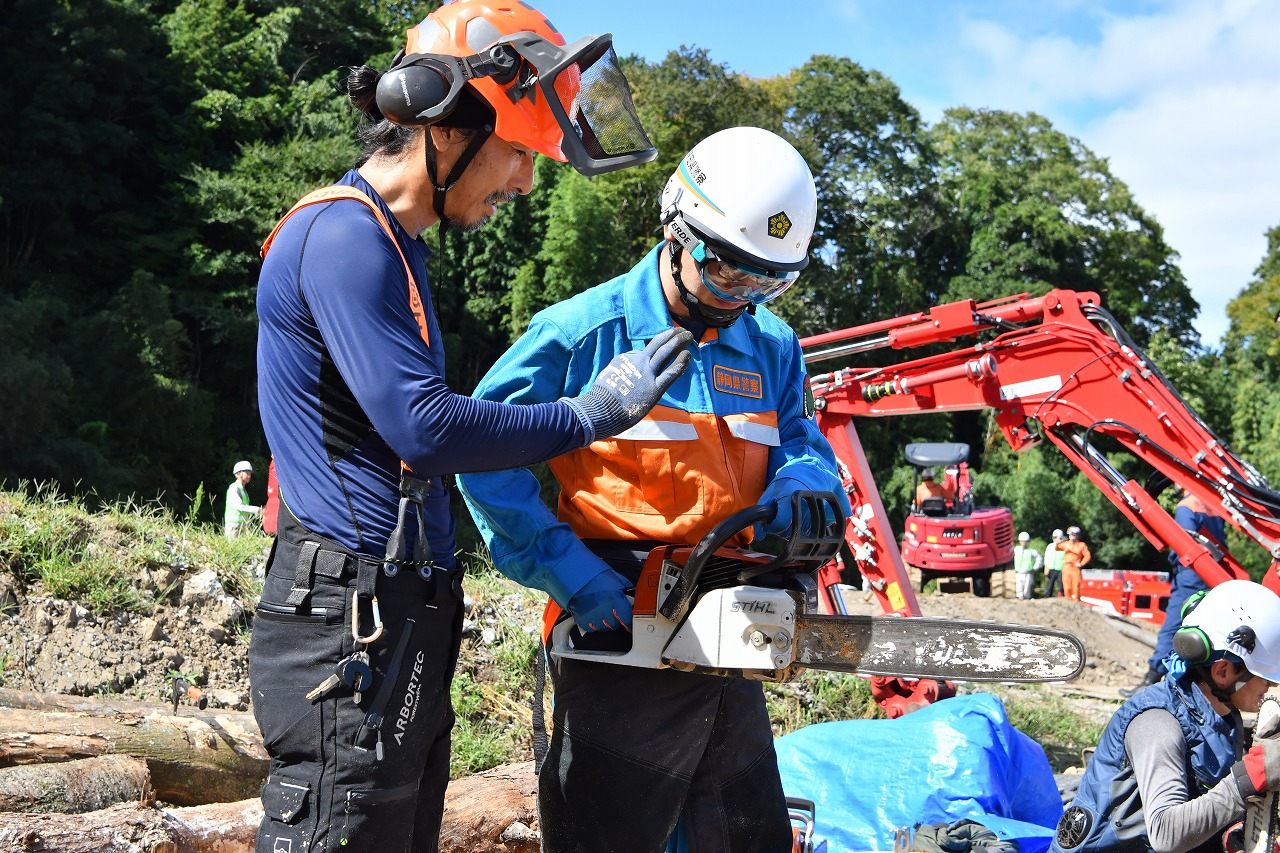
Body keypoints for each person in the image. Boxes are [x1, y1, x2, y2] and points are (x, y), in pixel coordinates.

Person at [248, 4, 689, 851]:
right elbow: (425, 427)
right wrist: (586, 414)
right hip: (347, 612)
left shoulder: (395, 244)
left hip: (393, 611)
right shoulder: (342, 236)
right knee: (341, 829)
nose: (525, 181)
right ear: (447, 131)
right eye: (521, 151)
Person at [458, 127, 851, 853]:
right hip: (616, 636)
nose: (745, 299)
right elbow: (480, 450)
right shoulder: (582, 333)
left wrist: (806, 478)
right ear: (678, 230)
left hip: (731, 636)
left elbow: (801, 436)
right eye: (731, 275)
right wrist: (569, 573)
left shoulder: (772, 347)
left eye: (770, 282)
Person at [1049, 579, 1280, 853]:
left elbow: (1204, 802)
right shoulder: (1158, 725)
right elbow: (1166, 833)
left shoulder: (1224, 717)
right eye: (1265, 677)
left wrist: (1226, 830)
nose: (1271, 687)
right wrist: (1248, 779)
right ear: (1222, 671)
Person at [1127, 489, 1230, 696]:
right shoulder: (1212, 505)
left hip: (1191, 575)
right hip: (1213, 574)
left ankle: (1152, 678)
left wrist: (1174, 564)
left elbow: (1182, 546)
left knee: (1173, 625)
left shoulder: (1187, 506)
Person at [224, 461, 260, 538]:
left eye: (250, 473)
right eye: (247, 473)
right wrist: (257, 510)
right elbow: (239, 506)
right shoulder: (234, 488)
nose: (249, 476)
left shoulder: (243, 490)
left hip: (242, 526)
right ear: (238, 474)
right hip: (233, 526)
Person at [1056, 525, 1091, 602]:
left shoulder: (1082, 545)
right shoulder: (1066, 544)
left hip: (1075, 568)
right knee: (1067, 587)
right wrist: (1057, 542)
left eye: (1074, 534)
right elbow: (1057, 548)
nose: (1072, 536)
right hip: (1066, 567)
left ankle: (1076, 602)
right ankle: (1068, 601)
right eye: (1071, 534)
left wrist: (1082, 563)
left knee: (1076, 587)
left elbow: (1087, 556)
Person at [1013, 531, 1042, 600]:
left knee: (1027, 589)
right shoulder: (1016, 550)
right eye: (1022, 541)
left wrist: (1035, 568)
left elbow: (1039, 559)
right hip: (1018, 572)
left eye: (1025, 541)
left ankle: (1027, 600)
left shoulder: (1031, 551)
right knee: (1019, 588)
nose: (1024, 543)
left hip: (1028, 572)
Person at [1044, 528, 1066, 598]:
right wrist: (1046, 567)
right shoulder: (1050, 546)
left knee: (1062, 585)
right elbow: (1046, 557)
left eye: (1058, 537)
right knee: (1049, 585)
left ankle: (1062, 597)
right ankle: (1048, 597)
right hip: (1051, 568)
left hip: (1061, 569)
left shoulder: (1064, 547)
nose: (1056, 539)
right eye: (1055, 537)